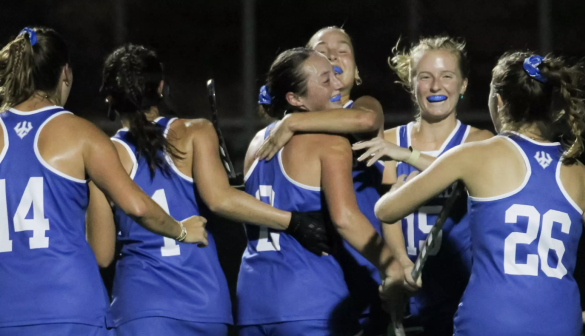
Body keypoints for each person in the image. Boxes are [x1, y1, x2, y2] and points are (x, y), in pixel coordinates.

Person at [86, 44, 332, 336]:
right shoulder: (195, 132)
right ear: (161, 88)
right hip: (204, 305)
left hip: (140, 308)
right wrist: (294, 221)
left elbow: (101, 254)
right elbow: (220, 200)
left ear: (110, 98)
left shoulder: (102, 154)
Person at [0, 27, 207, 336]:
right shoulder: (81, 134)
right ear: (65, 73)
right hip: (73, 310)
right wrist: (180, 230)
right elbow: (137, 207)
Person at [375, 51, 585, 336]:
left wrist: (398, 187)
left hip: (489, 322)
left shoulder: (474, 155)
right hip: (563, 324)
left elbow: (386, 210)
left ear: (499, 101)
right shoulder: (579, 173)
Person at [237, 47, 405, 336]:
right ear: (295, 98)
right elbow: (345, 218)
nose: (338, 85)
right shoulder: (330, 142)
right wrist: (391, 267)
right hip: (310, 301)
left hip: (252, 302)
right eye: (326, 80)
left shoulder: (256, 142)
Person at [353, 35, 493, 336]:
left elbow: (461, 175)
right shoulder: (387, 142)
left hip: (461, 296)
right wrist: (399, 266)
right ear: (411, 83)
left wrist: (408, 156)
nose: (435, 86)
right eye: (425, 77)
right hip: (403, 295)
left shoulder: (480, 143)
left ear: (464, 84)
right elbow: (386, 209)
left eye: (447, 76)